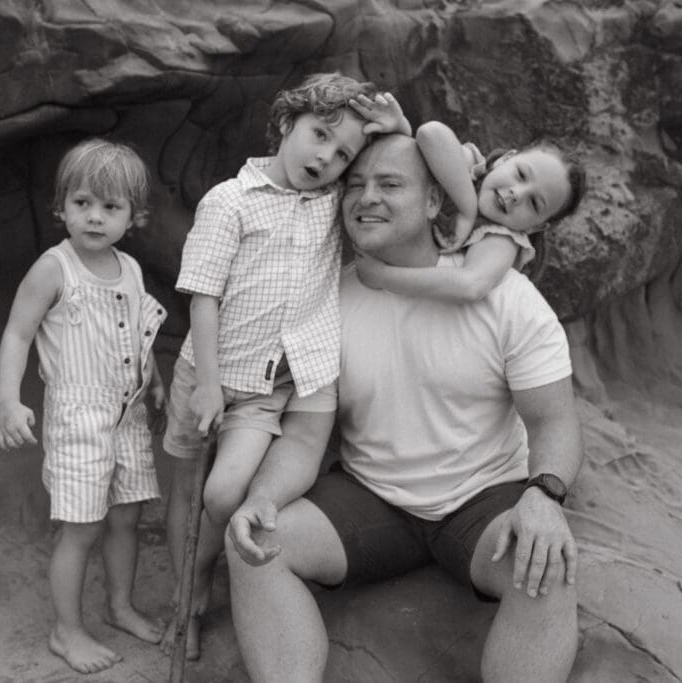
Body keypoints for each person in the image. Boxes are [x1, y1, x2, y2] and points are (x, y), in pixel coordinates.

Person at [225, 133, 584, 683]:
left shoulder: (508, 297)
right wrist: (263, 498)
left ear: (435, 199)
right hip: (373, 497)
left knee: (544, 566)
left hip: (483, 497)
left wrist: (544, 495)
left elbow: (553, 419)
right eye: (356, 184)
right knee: (255, 544)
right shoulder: (330, 300)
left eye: (390, 184)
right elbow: (304, 437)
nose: (368, 197)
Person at [159, 72, 411, 655]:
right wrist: (209, 386)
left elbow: (398, 180)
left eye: (343, 153)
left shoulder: (333, 205)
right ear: (285, 122)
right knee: (187, 489)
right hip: (211, 373)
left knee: (223, 493)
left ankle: (205, 578)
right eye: (320, 135)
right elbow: (203, 295)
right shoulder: (229, 200)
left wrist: (398, 129)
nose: (326, 158)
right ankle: (185, 597)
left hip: (272, 384)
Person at [0, 138, 167, 674]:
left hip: (128, 415)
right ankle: (66, 631)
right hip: (78, 420)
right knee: (82, 527)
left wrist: (155, 380)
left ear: (134, 216)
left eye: (110, 207)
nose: (95, 217)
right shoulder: (55, 269)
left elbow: (137, 334)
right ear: (61, 207)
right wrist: (8, 401)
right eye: (82, 203)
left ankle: (119, 606)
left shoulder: (130, 268)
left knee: (126, 517)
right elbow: (18, 334)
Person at [354, 120, 585, 302]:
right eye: (521, 174)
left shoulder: (500, 238)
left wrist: (382, 276)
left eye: (534, 203)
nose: (517, 194)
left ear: (536, 226)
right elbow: (430, 133)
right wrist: (467, 210)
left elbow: (471, 285)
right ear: (505, 159)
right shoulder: (471, 169)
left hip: (393, 300)